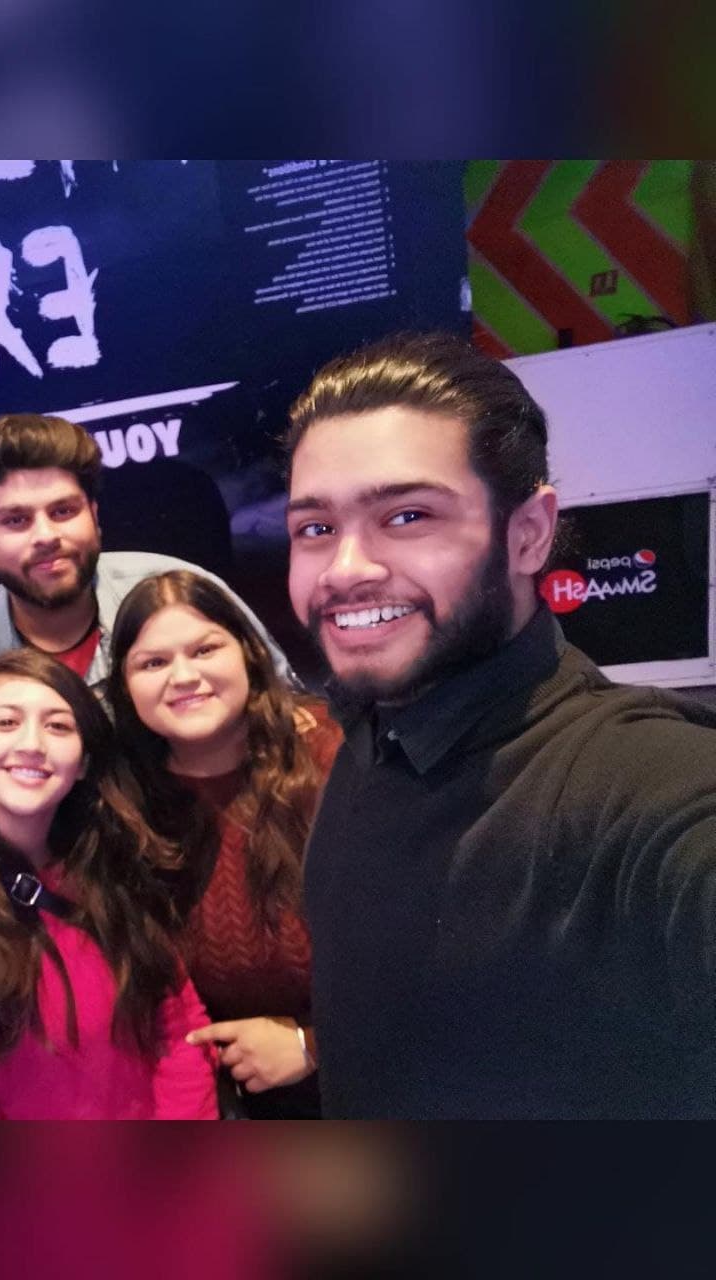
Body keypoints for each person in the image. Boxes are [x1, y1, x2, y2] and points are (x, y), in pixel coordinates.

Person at [284, 330, 716, 1118]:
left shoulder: (641, 785)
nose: (345, 569)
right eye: (315, 528)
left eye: (407, 515)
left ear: (528, 534)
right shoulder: (367, 738)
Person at [0, 648, 219, 1119]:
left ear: (83, 763)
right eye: (6, 723)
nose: (32, 744)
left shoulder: (114, 858)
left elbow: (180, 1027)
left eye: (58, 726)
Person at [108, 569, 340, 1117]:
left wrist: (312, 1045)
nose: (184, 677)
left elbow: (421, 950)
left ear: (249, 654)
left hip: (352, 1080)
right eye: (153, 663)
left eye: (205, 649)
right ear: (124, 685)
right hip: (203, 1097)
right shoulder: (117, 800)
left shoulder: (334, 757)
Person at [0, 412, 294, 710]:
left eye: (63, 511)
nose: (45, 536)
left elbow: (293, 716)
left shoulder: (186, 594)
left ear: (94, 517)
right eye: (16, 520)